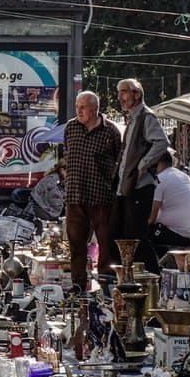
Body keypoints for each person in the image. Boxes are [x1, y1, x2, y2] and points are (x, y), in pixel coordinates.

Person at [63, 91, 123, 291]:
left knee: (106, 246)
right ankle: (78, 287)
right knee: (76, 246)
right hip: (74, 195)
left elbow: (118, 162)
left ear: (95, 109)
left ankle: (106, 287)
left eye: (83, 107)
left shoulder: (111, 132)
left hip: (100, 196)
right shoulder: (71, 127)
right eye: (77, 106)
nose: (78, 111)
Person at [113, 78, 169, 273]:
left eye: (124, 92)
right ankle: (132, 278)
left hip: (140, 187)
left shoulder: (146, 117)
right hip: (128, 187)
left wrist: (142, 166)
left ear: (137, 94)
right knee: (124, 235)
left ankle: (153, 279)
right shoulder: (134, 118)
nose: (120, 97)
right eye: (119, 92)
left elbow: (162, 142)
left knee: (137, 237)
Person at [148, 149, 190, 255]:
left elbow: (151, 218)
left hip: (177, 234)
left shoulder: (160, 179)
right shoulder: (184, 176)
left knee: (142, 231)